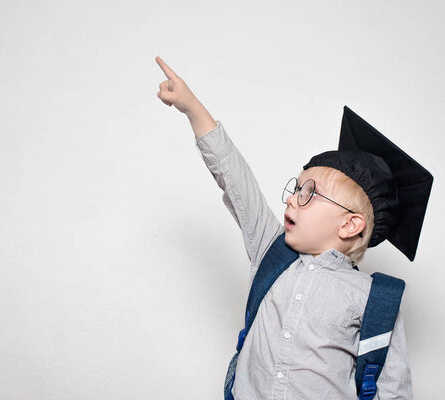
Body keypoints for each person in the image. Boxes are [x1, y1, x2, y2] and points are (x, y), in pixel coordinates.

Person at [155, 56, 428, 399]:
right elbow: (235, 179)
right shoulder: (271, 251)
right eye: (296, 188)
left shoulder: (372, 298)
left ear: (350, 224)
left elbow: (393, 389)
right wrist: (192, 107)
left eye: (310, 193)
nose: (292, 200)